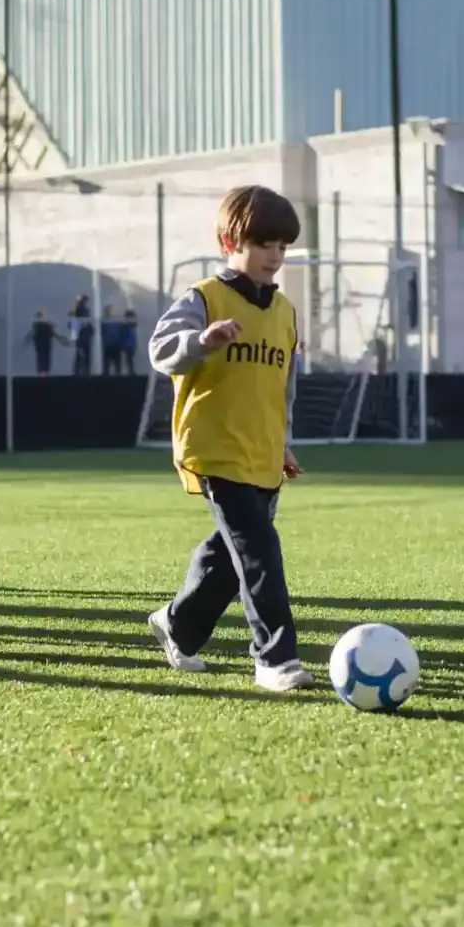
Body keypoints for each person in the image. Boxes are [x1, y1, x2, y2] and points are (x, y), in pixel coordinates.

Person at [146, 185, 311, 692]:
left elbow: (282, 386)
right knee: (260, 550)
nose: (275, 256)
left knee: (229, 554)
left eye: (282, 246)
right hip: (214, 449)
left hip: (262, 453)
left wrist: (282, 441)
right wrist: (202, 340)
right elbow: (161, 350)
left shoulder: (284, 312)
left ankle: (176, 624)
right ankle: (274, 657)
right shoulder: (204, 299)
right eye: (264, 244)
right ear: (228, 242)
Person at [25, 309, 67, 376]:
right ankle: (45, 372)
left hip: (40, 345)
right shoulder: (48, 325)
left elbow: (32, 334)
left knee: (41, 359)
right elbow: (54, 334)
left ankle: (42, 372)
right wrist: (62, 340)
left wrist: (27, 338)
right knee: (46, 359)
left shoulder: (37, 325)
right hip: (46, 345)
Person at [100, 304, 125, 375]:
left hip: (114, 345)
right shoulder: (108, 322)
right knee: (108, 366)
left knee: (116, 366)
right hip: (109, 345)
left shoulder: (114, 322)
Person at [120, 309, 139, 374]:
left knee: (129, 359)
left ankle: (130, 371)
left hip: (130, 345)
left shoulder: (129, 326)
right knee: (129, 359)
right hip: (129, 345)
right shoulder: (128, 326)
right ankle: (130, 371)